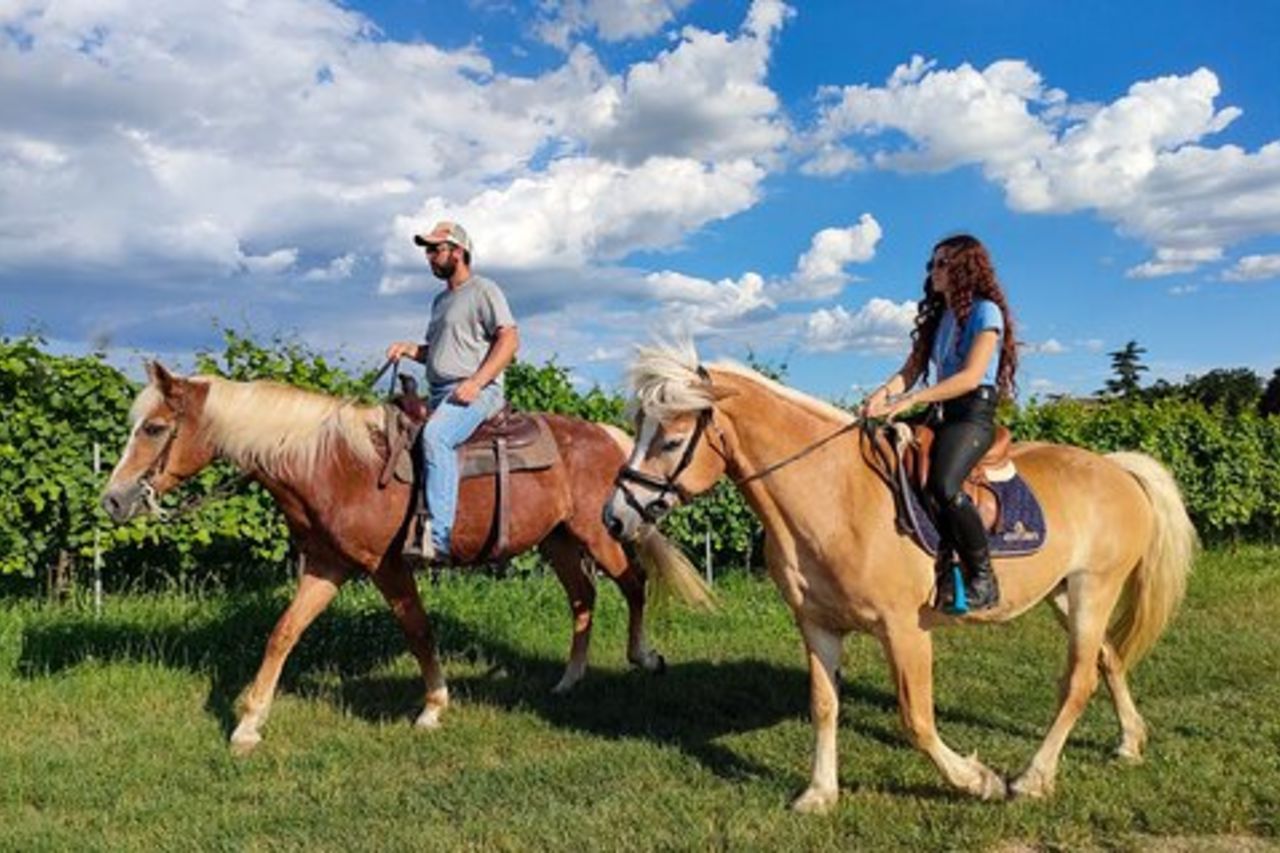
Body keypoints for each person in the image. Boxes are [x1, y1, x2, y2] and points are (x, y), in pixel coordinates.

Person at [862, 234, 1018, 612]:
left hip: (971, 414)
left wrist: (911, 399)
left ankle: (982, 577)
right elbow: (911, 370)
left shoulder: (986, 313)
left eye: (943, 264)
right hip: (941, 411)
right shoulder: (938, 318)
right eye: (931, 264)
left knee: (945, 483)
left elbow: (970, 376)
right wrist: (880, 397)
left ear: (965, 268)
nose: (934, 271)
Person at [386, 221, 519, 562]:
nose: (429, 257)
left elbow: (509, 338)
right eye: (427, 251)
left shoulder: (484, 289)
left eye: (435, 249)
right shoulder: (441, 301)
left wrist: (476, 383)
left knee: (436, 437)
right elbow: (440, 350)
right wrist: (410, 350)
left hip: (478, 390)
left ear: (458, 252)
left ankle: (438, 538)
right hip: (440, 391)